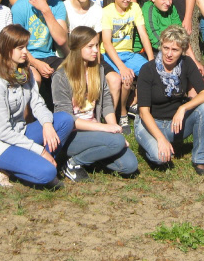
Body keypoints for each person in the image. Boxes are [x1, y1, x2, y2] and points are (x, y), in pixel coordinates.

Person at [0, 25, 74, 189]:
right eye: (20, 48)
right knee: (48, 173)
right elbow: (4, 132)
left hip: (21, 132)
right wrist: (40, 150)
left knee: (65, 120)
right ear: (7, 48)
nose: (25, 52)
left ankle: (40, 162)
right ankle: (9, 167)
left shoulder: (24, 73)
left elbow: (37, 103)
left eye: (26, 47)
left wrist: (47, 124)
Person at [52, 27, 139, 181]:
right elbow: (66, 118)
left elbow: (106, 103)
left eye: (97, 45)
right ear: (77, 48)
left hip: (95, 129)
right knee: (117, 143)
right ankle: (73, 163)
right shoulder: (61, 77)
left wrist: (114, 128)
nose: (96, 50)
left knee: (130, 165)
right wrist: (105, 129)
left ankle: (92, 156)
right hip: (73, 135)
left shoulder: (98, 70)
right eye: (90, 46)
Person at [134, 26, 204, 175]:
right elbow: (144, 112)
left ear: (182, 50)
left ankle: (200, 158)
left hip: (175, 124)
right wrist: (160, 139)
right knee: (161, 159)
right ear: (161, 46)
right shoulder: (148, 69)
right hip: (151, 123)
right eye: (166, 48)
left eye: (175, 50)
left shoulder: (187, 63)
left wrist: (183, 108)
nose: (169, 54)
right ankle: (152, 145)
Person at [101, 0, 155, 133]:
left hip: (129, 53)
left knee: (151, 72)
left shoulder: (135, 8)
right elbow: (107, 43)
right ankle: (122, 113)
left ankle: (134, 103)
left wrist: (151, 59)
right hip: (110, 54)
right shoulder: (107, 12)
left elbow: (143, 34)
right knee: (125, 78)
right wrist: (122, 67)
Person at [10, 0, 68, 104]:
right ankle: (29, 115)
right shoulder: (20, 7)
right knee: (34, 78)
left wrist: (46, 10)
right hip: (24, 57)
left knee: (69, 73)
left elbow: (61, 39)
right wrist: (36, 63)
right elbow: (16, 44)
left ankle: (62, 111)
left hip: (48, 55)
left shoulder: (57, 4)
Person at [133, 0, 203, 72]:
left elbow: (181, 34)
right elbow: (155, 40)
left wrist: (194, 61)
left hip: (168, 48)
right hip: (147, 51)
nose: (168, 3)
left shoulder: (171, 8)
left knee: (190, 67)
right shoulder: (149, 9)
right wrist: (175, 50)